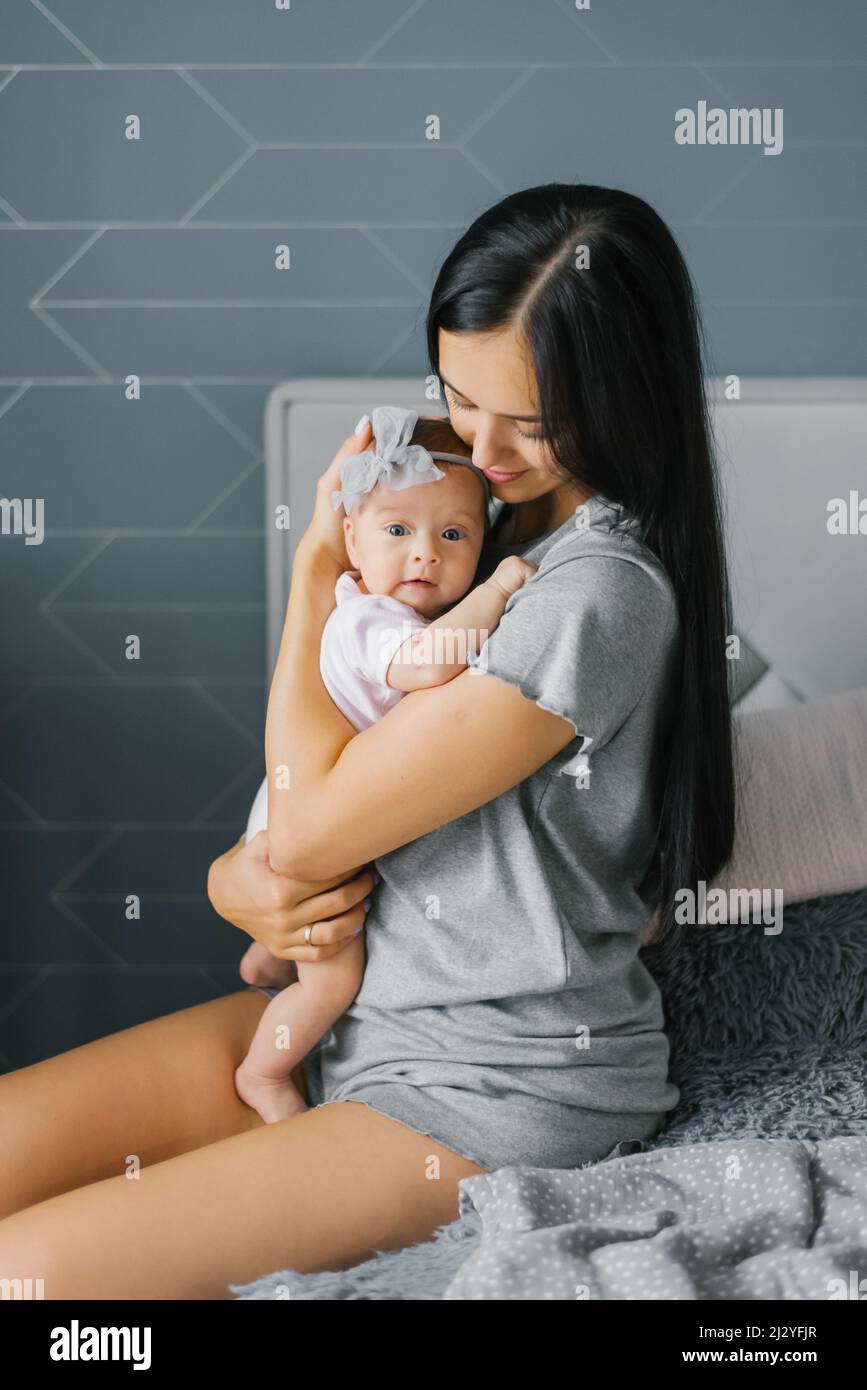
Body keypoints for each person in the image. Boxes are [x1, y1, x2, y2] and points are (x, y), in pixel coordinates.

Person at [0, 183, 735, 1299]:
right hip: (357, 1016)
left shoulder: (592, 597)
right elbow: (307, 826)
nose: (480, 448)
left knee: (28, 1277)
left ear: (621, 396)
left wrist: (312, 581)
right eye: (457, 396)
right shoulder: (470, 513)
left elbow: (307, 827)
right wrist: (231, 880)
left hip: (485, 1082)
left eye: (527, 421)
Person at [235, 406, 535, 1123]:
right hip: (306, 826)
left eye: (453, 534)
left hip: (297, 811)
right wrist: (496, 592)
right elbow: (425, 668)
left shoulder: (391, 611)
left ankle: (265, 962)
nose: (424, 553)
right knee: (333, 983)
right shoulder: (369, 620)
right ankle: (266, 1071)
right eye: (397, 531)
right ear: (350, 541)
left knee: (308, 942)